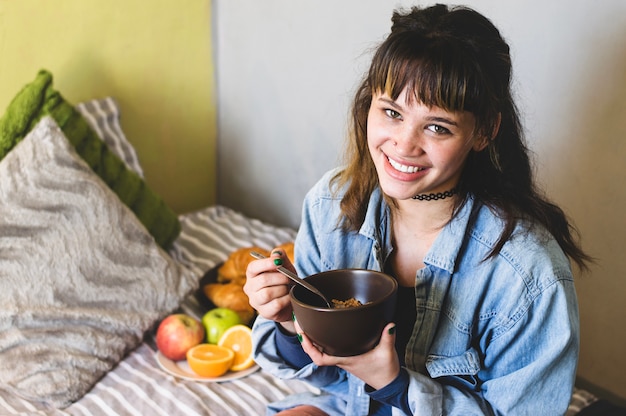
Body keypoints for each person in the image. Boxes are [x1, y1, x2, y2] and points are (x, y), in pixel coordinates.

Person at [244, 4, 592, 415]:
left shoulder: (529, 273)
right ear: (368, 104)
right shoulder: (331, 205)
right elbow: (321, 371)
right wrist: (289, 321)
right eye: (391, 112)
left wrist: (394, 385)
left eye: (437, 126)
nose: (404, 145)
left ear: (484, 131)